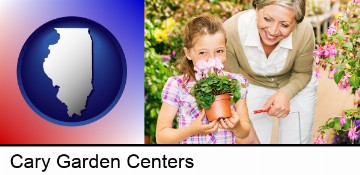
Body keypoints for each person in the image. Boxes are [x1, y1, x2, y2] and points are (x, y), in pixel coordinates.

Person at [224, 0, 317, 144]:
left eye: (284, 25)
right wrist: (244, 122)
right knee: (252, 140)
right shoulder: (231, 31)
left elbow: (302, 73)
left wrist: (285, 93)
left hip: (296, 84)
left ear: (295, 23)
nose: (273, 31)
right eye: (267, 19)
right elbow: (232, 81)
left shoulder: (304, 31)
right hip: (249, 85)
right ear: (257, 9)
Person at [156, 15, 258, 144]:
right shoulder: (177, 85)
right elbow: (161, 138)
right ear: (188, 53)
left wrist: (236, 126)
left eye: (219, 51)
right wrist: (192, 130)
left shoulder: (236, 82)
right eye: (203, 52)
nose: (212, 59)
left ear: (226, 49)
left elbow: (245, 131)